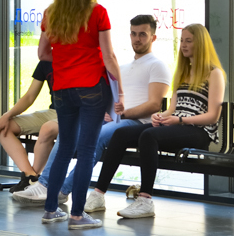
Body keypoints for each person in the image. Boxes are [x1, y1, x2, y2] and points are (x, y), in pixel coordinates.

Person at [13, 14, 171, 205]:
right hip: (112, 119)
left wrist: (121, 114)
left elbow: (154, 105)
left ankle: (62, 190)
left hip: (135, 123)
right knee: (68, 130)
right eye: (133, 34)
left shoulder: (157, 65)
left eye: (143, 34)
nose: (137, 39)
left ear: (153, 37)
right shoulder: (123, 66)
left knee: (94, 137)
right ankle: (45, 184)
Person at [85, 23, 226, 219]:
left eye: (189, 41)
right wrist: (162, 116)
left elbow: (213, 116)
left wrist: (180, 120)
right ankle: (98, 193)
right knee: (121, 133)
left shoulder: (214, 73)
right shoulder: (183, 72)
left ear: (200, 44)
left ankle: (145, 200)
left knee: (149, 135)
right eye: (182, 40)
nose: (184, 45)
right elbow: (172, 108)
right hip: (178, 125)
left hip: (199, 131)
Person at [38, 0, 124, 229]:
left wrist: (66, 60)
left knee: (65, 147)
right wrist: (119, 89)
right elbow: (108, 56)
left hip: (62, 89)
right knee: (86, 151)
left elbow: (43, 54)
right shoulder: (97, 12)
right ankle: (76, 215)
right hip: (91, 88)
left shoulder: (51, 13)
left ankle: (51, 210)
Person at [0, 60, 58, 193]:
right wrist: (6, 116)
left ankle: (32, 182)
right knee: (4, 127)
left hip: (74, 114)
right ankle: (30, 176)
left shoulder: (78, 58)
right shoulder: (46, 62)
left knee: (47, 128)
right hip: (53, 112)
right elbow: (29, 97)